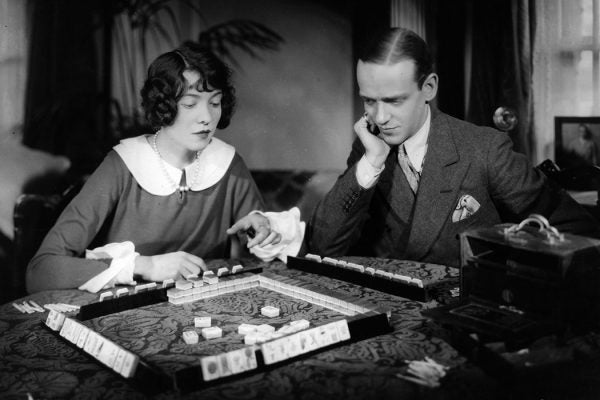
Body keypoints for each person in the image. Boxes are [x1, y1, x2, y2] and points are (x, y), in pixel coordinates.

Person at [307, 28, 598, 268]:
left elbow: (577, 233)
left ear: (429, 88)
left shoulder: (484, 149)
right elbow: (322, 245)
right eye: (370, 100)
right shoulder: (369, 149)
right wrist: (370, 165)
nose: (380, 118)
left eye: (394, 101)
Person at [26, 42, 303, 293]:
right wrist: (146, 266)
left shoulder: (229, 164)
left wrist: (263, 228)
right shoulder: (121, 164)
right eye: (190, 104)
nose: (207, 117)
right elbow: (41, 272)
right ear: (164, 106)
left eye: (215, 103)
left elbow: (258, 260)